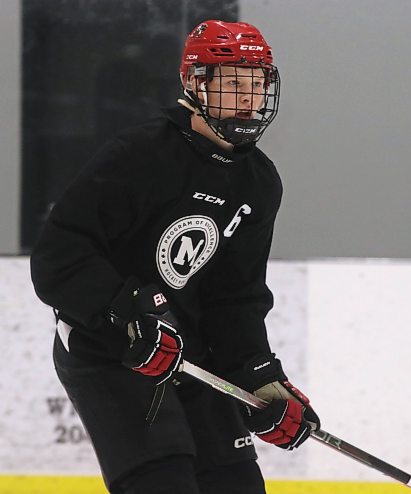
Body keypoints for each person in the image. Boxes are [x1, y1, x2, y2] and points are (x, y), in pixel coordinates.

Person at [30, 19, 320, 494]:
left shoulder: (259, 183)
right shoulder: (141, 155)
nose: (249, 98)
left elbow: (236, 298)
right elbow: (61, 256)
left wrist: (260, 377)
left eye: (258, 83)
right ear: (195, 84)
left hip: (191, 357)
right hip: (109, 353)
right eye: (233, 83)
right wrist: (122, 312)